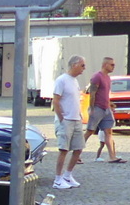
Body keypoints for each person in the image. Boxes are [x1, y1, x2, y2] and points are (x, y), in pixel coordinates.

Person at [51, 55, 87, 189]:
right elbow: (56, 100)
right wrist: (61, 118)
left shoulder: (75, 81)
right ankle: (58, 179)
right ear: (74, 65)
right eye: (82, 65)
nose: (84, 68)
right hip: (66, 120)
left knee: (78, 148)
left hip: (76, 119)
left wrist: (79, 115)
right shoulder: (61, 80)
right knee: (63, 149)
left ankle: (67, 175)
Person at [86, 56, 124, 163]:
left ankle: (112, 156)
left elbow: (105, 94)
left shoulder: (107, 78)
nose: (113, 67)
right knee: (90, 131)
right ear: (105, 64)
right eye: (112, 64)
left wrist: (109, 104)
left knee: (108, 132)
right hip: (97, 108)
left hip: (106, 109)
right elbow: (92, 93)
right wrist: (91, 108)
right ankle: (77, 154)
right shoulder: (97, 77)